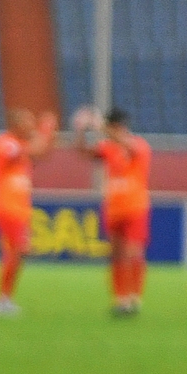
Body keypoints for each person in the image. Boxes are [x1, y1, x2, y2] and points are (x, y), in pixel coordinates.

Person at [76, 105, 152, 316]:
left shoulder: (139, 145)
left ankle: (134, 297)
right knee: (116, 255)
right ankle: (120, 300)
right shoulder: (108, 147)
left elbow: (129, 146)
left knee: (133, 252)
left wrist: (100, 126)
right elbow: (84, 153)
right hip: (114, 208)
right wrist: (81, 131)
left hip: (135, 207)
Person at [0, 107, 57, 317]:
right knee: (19, 249)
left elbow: (41, 152)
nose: (31, 125)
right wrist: (45, 129)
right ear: (16, 125)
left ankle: (4, 299)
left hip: (19, 206)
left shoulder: (20, 144)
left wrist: (46, 134)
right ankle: (2, 300)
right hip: (8, 205)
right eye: (28, 122)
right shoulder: (5, 143)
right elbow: (34, 150)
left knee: (15, 252)